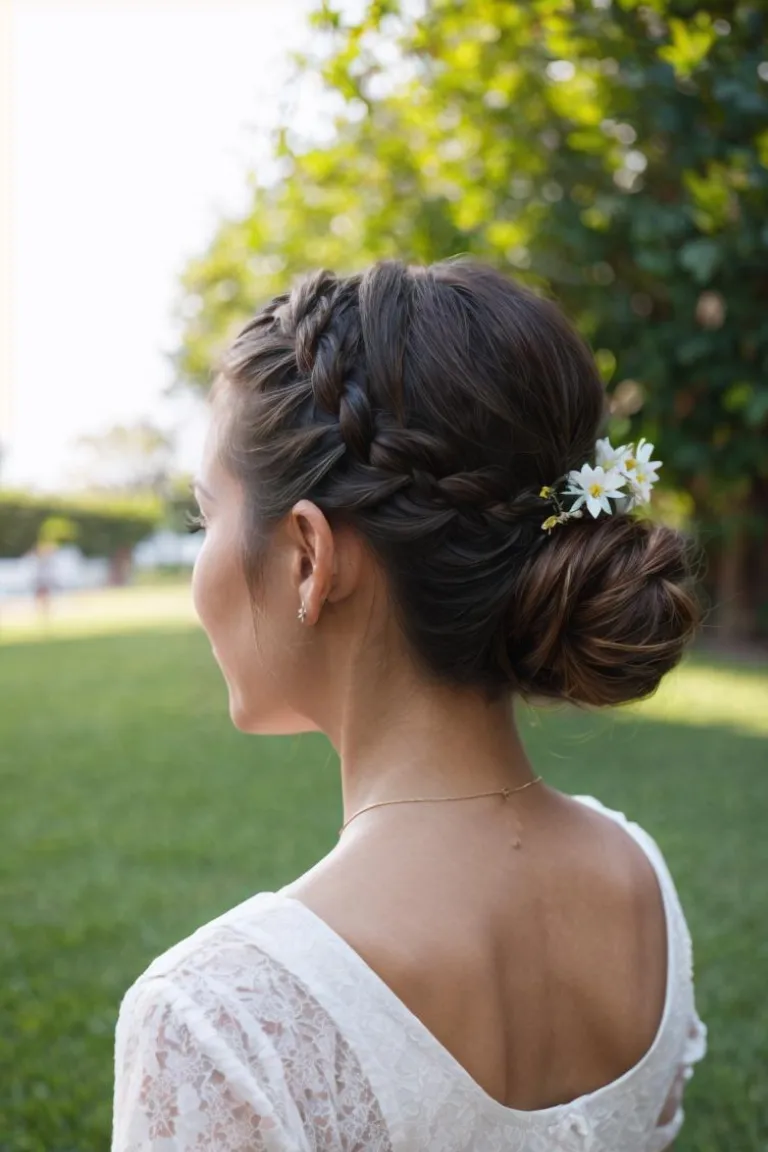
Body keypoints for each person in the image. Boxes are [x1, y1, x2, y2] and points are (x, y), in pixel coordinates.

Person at [111, 259, 707, 1151]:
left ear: (309, 557)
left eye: (208, 517)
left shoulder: (220, 1022)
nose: (202, 562)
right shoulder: (640, 883)